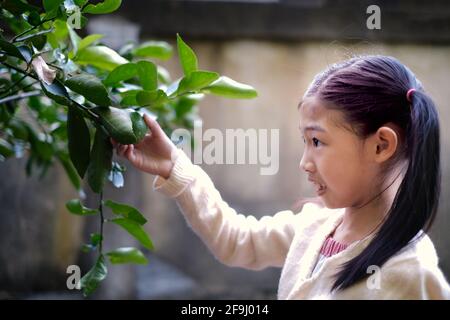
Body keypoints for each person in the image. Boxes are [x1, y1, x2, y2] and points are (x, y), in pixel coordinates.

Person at [112, 55, 450, 299]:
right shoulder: (315, 226)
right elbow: (236, 241)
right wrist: (175, 167)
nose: (304, 162)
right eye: (305, 142)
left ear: (381, 145)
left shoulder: (410, 275)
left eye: (317, 141)